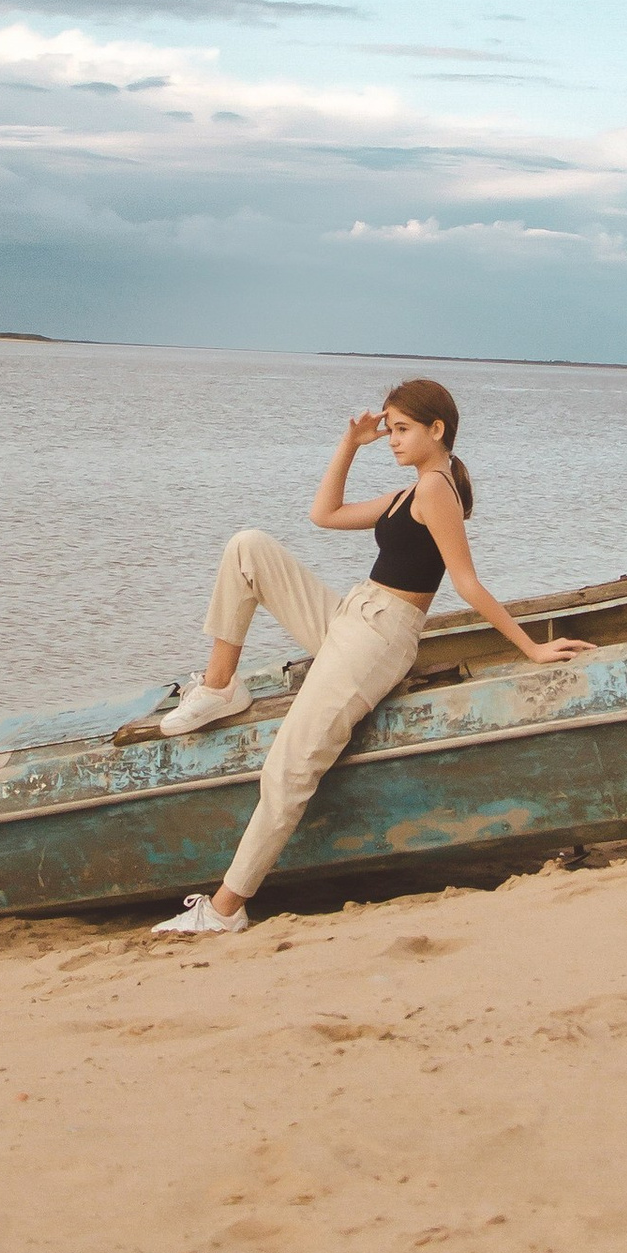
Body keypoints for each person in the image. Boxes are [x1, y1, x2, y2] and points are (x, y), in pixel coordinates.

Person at [152, 376, 594, 938]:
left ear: (438, 430)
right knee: (249, 547)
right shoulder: (409, 493)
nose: (392, 439)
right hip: (351, 617)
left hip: (379, 638)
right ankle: (219, 687)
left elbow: (466, 583)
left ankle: (226, 908)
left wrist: (530, 646)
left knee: (290, 766)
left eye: (402, 429)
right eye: (390, 429)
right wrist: (349, 445)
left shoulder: (437, 490)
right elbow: (324, 514)